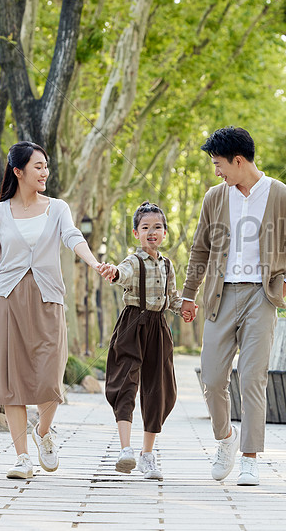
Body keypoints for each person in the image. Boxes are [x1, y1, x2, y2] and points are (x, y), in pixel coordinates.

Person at [181, 126, 286, 486]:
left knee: (253, 378)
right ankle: (225, 440)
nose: (216, 171)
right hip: (220, 296)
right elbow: (200, 249)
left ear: (238, 161)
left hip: (262, 297)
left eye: (218, 164)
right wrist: (189, 294)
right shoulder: (215, 197)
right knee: (211, 379)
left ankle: (250, 457)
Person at [0, 141, 109, 479]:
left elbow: (73, 236)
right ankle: (21, 458)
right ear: (18, 171)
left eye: (46, 166)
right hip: (7, 302)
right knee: (11, 381)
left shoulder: (58, 208)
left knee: (50, 378)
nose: (45, 172)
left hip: (49, 300)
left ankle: (44, 432)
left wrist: (93, 263)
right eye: (38, 166)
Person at [98, 202, 180, 481]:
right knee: (125, 383)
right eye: (145, 227)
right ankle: (125, 450)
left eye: (157, 227)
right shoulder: (133, 261)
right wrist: (113, 272)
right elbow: (122, 273)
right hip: (133, 325)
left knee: (159, 388)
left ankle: (147, 455)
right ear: (136, 233)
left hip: (158, 327)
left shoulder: (168, 265)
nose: (151, 232)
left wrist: (186, 307)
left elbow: (173, 297)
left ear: (165, 233)